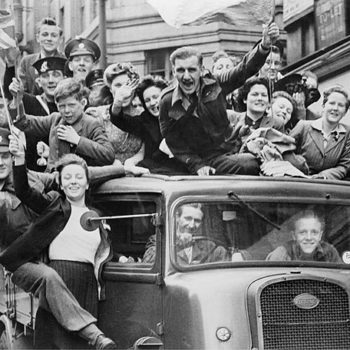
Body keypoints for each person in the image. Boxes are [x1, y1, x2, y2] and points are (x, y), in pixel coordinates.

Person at [0, 128, 122, 349]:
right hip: (58, 280)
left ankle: (93, 336)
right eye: (67, 178)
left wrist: (124, 168)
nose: (73, 182)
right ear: (61, 184)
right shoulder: (54, 205)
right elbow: (24, 191)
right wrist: (18, 158)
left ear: (87, 183)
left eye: (79, 178)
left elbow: (104, 250)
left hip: (86, 288)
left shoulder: (96, 216)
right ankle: (95, 336)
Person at [159, 22, 280, 176]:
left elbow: (243, 70)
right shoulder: (167, 101)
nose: (187, 77)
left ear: (202, 70)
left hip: (229, 148)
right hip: (201, 159)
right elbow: (173, 141)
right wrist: (197, 165)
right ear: (173, 72)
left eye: (192, 70)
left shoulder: (215, 84)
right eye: (181, 70)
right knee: (249, 164)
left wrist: (264, 46)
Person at [10, 77, 115, 171]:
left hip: (74, 182)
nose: (67, 111)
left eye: (71, 105)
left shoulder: (91, 124)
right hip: (52, 180)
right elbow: (24, 123)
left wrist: (78, 140)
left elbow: (108, 154)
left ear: (83, 103)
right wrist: (17, 100)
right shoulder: (55, 119)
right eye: (62, 106)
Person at [110, 74, 189, 174]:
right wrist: (118, 101)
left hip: (184, 171)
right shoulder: (146, 120)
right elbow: (119, 120)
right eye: (147, 100)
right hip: (153, 172)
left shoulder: (183, 113)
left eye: (155, 97)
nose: (152, 103)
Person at [9, 56, 67, 171]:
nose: (51, 80)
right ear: (39, 82)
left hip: (66, 172)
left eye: (56, 75)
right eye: (45, 76)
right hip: (34, 171)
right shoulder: (29, 101)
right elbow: (16, 119)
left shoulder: (70, 106)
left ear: (65, 79)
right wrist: (17, 98)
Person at [88, 62, 147, 173]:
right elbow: (92, 150)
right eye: (118, 85)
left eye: (128, 84)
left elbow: (144, 149)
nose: (123, 90)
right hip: (105, 173)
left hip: (136, 173)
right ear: (110, 89)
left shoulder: (143, 116)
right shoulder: (97, 115)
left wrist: (131, 163)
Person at [289, 85, 350, 180]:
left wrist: (323, 176)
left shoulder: (347, 133)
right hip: (298, 181)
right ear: (324, 106)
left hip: (326, 185)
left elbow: (344, 165)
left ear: (345, 112)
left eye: (341, 105)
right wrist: (299, 167)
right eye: (332, 103)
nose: (335, 108)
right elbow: (285, 149)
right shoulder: (304, 126)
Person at [143, 203, 227, 264]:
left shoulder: (208, 246)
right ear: (177, 218)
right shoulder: (159, 240)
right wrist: (177, 243)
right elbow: (149, 261)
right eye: (188, 218)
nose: (192, 225)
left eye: (197, 220)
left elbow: (223, 259)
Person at [266, 210, 341, 262]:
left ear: (320, 235)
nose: (309, 238)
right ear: (294, 236)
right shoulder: (281, 254)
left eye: (314, 232)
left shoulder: (330, 253)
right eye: (303, 232)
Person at [18, 17, 65, 95]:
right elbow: (22, 93)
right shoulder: (27, 62)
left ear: (60, 40)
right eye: (45, 35)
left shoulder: (66, 61)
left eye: (54, 35)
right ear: (38, 38)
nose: (49, 39)